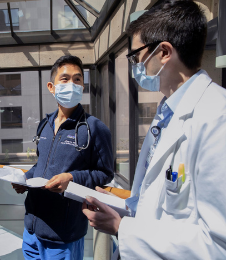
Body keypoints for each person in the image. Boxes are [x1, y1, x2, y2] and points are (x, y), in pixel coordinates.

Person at [82, 1, 226, 259]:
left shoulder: (217, 118)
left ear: (164, 52)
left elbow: (217, 245)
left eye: (136, 56)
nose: (136, 65)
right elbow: (159, 203)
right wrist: (120, 206)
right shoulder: (167, 112)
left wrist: (121, 228)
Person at [13, 55, 114, 259]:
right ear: (51, 87)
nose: (72, 84)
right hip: (31, 228)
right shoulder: (45, 124)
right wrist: (25, 179)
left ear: (83, 87)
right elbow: (42, 164)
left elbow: (104, 173)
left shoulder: (94, 128)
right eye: (65, 79)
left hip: (63, 235)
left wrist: (72, 178)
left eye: (77, 80)